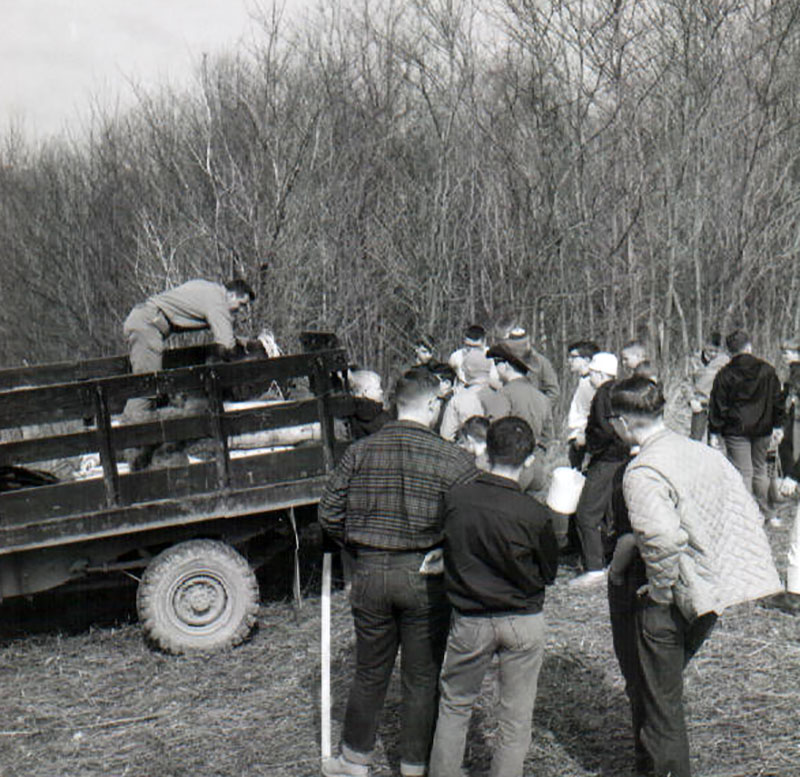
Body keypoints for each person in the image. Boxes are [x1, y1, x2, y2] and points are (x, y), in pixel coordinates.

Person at [607, 376, 781, 777]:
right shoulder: (701, 453)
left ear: (626, 421)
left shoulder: (643, 470)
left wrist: (662, 590)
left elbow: (663, 538)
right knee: (657, 693)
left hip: (669, 598)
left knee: (659, 707)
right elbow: (743, 511)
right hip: (708, 594)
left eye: (614, 420)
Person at [318, 368, 478, 777]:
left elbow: (329, 513)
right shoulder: (454, 458)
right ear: (430, 404)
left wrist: (358, 546)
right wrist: (445, 549)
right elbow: (469, 522)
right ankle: (413, 765)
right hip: (424, 575)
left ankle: (354, 760)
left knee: (370, 670)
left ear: (395, 404)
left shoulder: (360, 451)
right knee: (422, 676)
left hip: (369, 572)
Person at [428, 417, 559, 777]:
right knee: (515, 716)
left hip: (470, 619)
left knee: (454, 706)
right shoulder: (534, 513)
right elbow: (548, 573)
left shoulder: (456, 499)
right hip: (522, 620)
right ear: (529, 460)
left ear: (485, 452)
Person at [123, 278, 256, 419]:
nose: (240, 310)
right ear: (231, 295)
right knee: (149, 385)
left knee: (149, 383)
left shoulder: (209, 289)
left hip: (144, 320)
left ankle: (132, 425)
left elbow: (222, 330)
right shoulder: (218, 302)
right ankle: (128, 429)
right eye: (241, 304)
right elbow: (227, 346)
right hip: (147, 326)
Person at [708, 329, 783, 523]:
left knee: (743, 473)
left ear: (729, 351)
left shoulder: (725, 374)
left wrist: (714, 431)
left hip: (736, 430)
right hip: (763, 427)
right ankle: (769, 514)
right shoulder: (767, 370)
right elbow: (777, 400)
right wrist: (778, 425)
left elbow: (718, 404)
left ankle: (747, 518)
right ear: (749, 347)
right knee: (760, 470)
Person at [571, 352, 629, 587]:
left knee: (587, 513)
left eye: (593, 373)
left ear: (602, 374)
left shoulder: (604, 393)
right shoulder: (620, 391)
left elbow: (605, 431)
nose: (590, 377)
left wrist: (587, 443)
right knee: (610, 513)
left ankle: (594, 568)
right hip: (621, 458)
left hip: (606, 459)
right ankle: (607, 561)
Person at [485, 341, 554, 492]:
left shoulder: (504, 394)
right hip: (536, 471)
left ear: (506, 365)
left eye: (497, 363)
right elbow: (548, 437)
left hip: (509, 472)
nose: (496, 369)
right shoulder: (542, 398)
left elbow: (494, 433)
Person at [565, 340, 600, 469]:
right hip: (578, 437)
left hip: (583, 439)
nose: (569, 360)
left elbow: (595, 412)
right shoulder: (584, 381)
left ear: (586, 360)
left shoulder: (591, 384)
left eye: (573, 357)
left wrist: (584, 433)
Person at [687, 332, 728, 442]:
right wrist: (691, 400)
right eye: (710, 350)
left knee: (716, 441)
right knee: (695, 439)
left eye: (716, 351)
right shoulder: (694, 360)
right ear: (705, 346)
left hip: (717, 406)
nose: (713, 354)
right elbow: (686, 383)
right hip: (699, 404)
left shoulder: (724, 362)